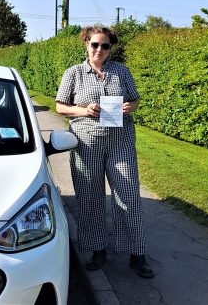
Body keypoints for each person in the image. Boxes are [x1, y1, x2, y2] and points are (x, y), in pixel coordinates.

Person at [55, 26, 154, 278]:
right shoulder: (74, 73)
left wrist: (130, 107)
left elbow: (135, 99)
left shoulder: (121, 71)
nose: (99, 50)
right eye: (95, 44)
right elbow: (60, 106)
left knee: (129, 195)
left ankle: (136, 252)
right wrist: (84, 110)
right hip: (86, 142)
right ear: (86, 44)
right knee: (90, 198)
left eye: (105, 46)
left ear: (111, 48)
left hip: (120, 141)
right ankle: (97, 250)